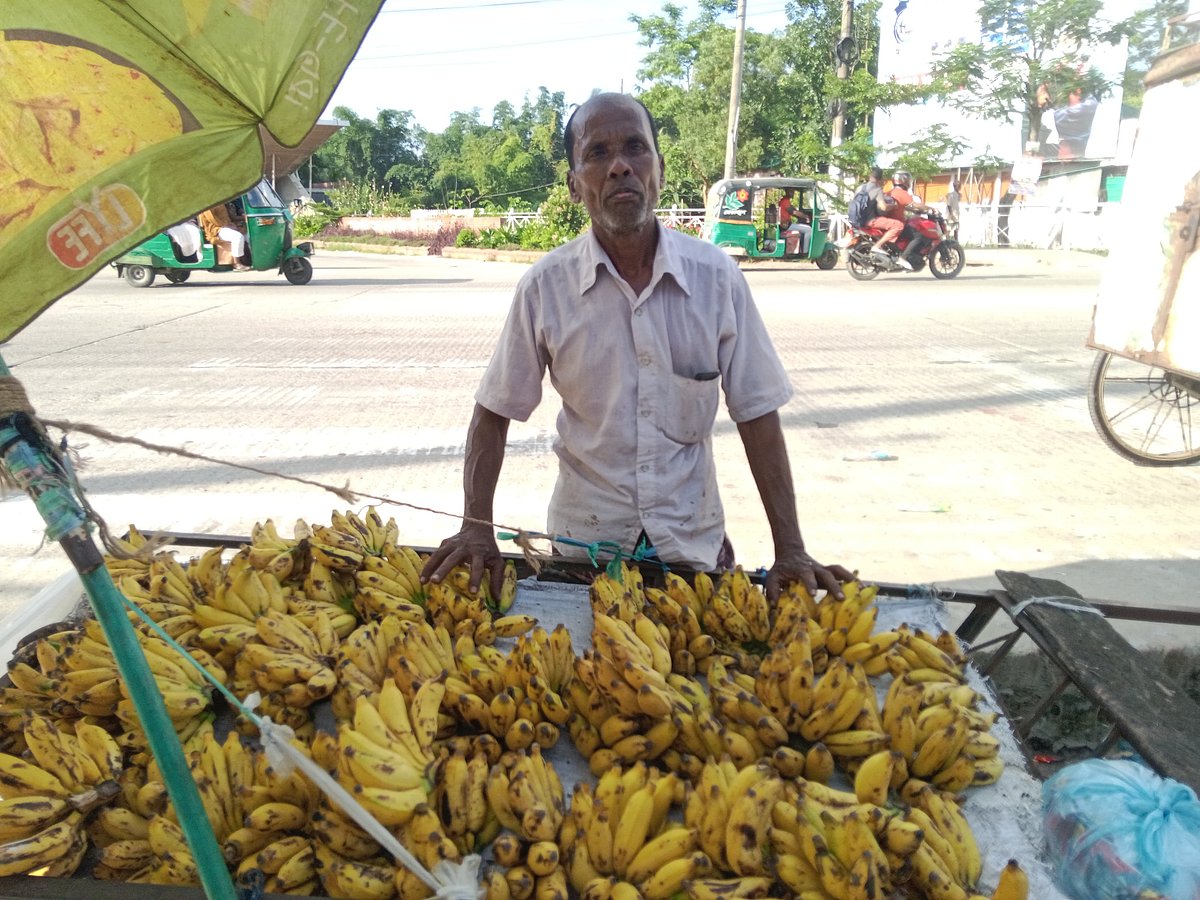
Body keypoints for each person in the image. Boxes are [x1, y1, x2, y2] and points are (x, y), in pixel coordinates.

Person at [420, 92, 850, 603]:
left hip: (693, 554)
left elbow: (757, 414)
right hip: (583, 554)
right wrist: (476, 528)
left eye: (635, 148)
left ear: (659, 171)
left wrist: (791, 549)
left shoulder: (717, 279)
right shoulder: (544, 288)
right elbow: (492, 413)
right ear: (574, 185)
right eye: (597, 154)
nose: (620, 166)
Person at [887, 170, 935, 269]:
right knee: (918, 235)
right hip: (897, 223)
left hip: (888, 222)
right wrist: (930, 208)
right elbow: (915, 204)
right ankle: (903, 257)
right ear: (905, 181)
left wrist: (915, 210)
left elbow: (903, 206)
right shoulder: (902, 193)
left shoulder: (889, 192)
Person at [860, 167, 905, 265]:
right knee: (899, 225)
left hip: (858, 219)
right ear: (880, 179)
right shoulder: (877, 190)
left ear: (869, 176)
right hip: (871, 220)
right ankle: (877, 246)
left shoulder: (860, 187)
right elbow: (883, 207)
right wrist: (894, 206)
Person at [198, 201, 250, 270]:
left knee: (248, 236)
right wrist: (226, 226)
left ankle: (250, 260)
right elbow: (212, 219)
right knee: (238, 237)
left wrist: (245, 218)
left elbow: (231, 217)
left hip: (227, 226)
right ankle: (236, 263)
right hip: (216, 229)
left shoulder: (223, 202)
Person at [779, 188, 812, 256]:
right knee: (809, 229)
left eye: (793, 191)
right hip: (786, 226)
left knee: (802, 228)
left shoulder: (785, 201)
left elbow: (793, 211)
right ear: (787, 191)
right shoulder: (785, 201)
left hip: (786, 224)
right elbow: (793, 212)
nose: (793, 193)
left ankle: (801, 248)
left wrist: (800, 216)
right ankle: (805, 252)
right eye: (791, 191)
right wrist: (806, 216)